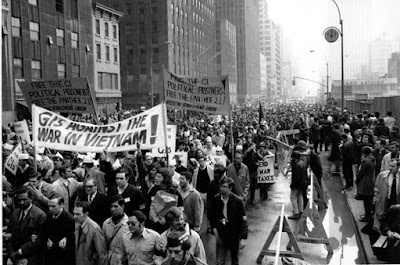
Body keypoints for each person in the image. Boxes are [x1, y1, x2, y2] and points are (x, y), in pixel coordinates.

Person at [209, 177, 248, 265]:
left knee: (234, 259)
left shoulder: (237, 201)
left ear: (230, 188)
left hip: (234, 234)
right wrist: (214, 229)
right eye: (221, 186)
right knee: (220, 260)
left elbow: (243, 220)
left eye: (225, 186)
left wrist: (243, 238)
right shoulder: (216, 200)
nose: (222, 189)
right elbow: (212, 216)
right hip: (221, 234)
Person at [5, 186, 47, 265]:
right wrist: (12, 255)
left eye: (24, 200)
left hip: (30, 259)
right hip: (13, 257)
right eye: (19, 200)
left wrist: (19, 254)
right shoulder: (15, 213)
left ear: (31, 199)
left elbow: (38, 242)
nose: (21, 202)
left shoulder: (40, 216)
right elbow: (8, 236)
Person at [73, 201, 108, 265]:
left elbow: (102, 254)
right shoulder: (77, 224)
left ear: (86, 214)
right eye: (74, 214)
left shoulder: (95, 229)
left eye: (78, 214)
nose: (74, 217)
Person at [44, 196, 75, 265]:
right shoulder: (49, 216)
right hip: (51, 254)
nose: (50, 209)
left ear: (61, 205)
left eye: (53, 206)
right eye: (49, 206)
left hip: (63, 256)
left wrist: (66, 239)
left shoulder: (69, 219)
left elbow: (71, 238)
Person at [373, 159, 400, 233]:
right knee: (382, 218)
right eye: (390, 165)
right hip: (385, 201)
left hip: (396, 202)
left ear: (398, 167)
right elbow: (377, 188)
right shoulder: (382, 175)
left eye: (393, 166)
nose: (390, 168)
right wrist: (377, 198)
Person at [102, 194, 129, 265]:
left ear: (122, 206)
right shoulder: (106, 223)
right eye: (111, 207)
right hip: (108, 260)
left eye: (116, 206)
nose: (113, 209)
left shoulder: (129, 224)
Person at [356, 146, 376, 222]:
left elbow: (361, 173)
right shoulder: (372, 159)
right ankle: (367, 214)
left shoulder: (366, 162)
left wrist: (357, 180)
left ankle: (368, 216)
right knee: (368, 200)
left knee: (366, 201)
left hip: (365, 183)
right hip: (370, 181)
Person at [288, 151, 308, 219]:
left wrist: (292, 185)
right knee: (300, 196)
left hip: (297, 184)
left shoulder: (296, 165)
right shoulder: (303, 163)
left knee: (293, 197)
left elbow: (296, 177)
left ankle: (296, 213)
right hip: (303, 184)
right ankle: (301, 211)